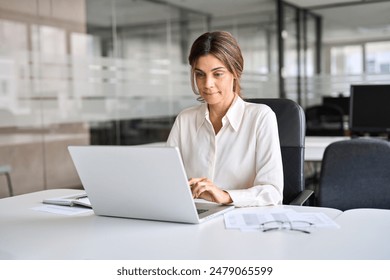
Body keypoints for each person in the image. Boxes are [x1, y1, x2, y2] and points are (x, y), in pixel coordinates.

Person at [166, 31, 283, 207]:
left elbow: (272, 193)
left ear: (235, 73)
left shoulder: (261, 117)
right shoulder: (185, 120)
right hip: (194, 217)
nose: (207, 84)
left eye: (217, 74)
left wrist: (226, 196)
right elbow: (166, 179)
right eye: (200, 74)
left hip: (243, 221)